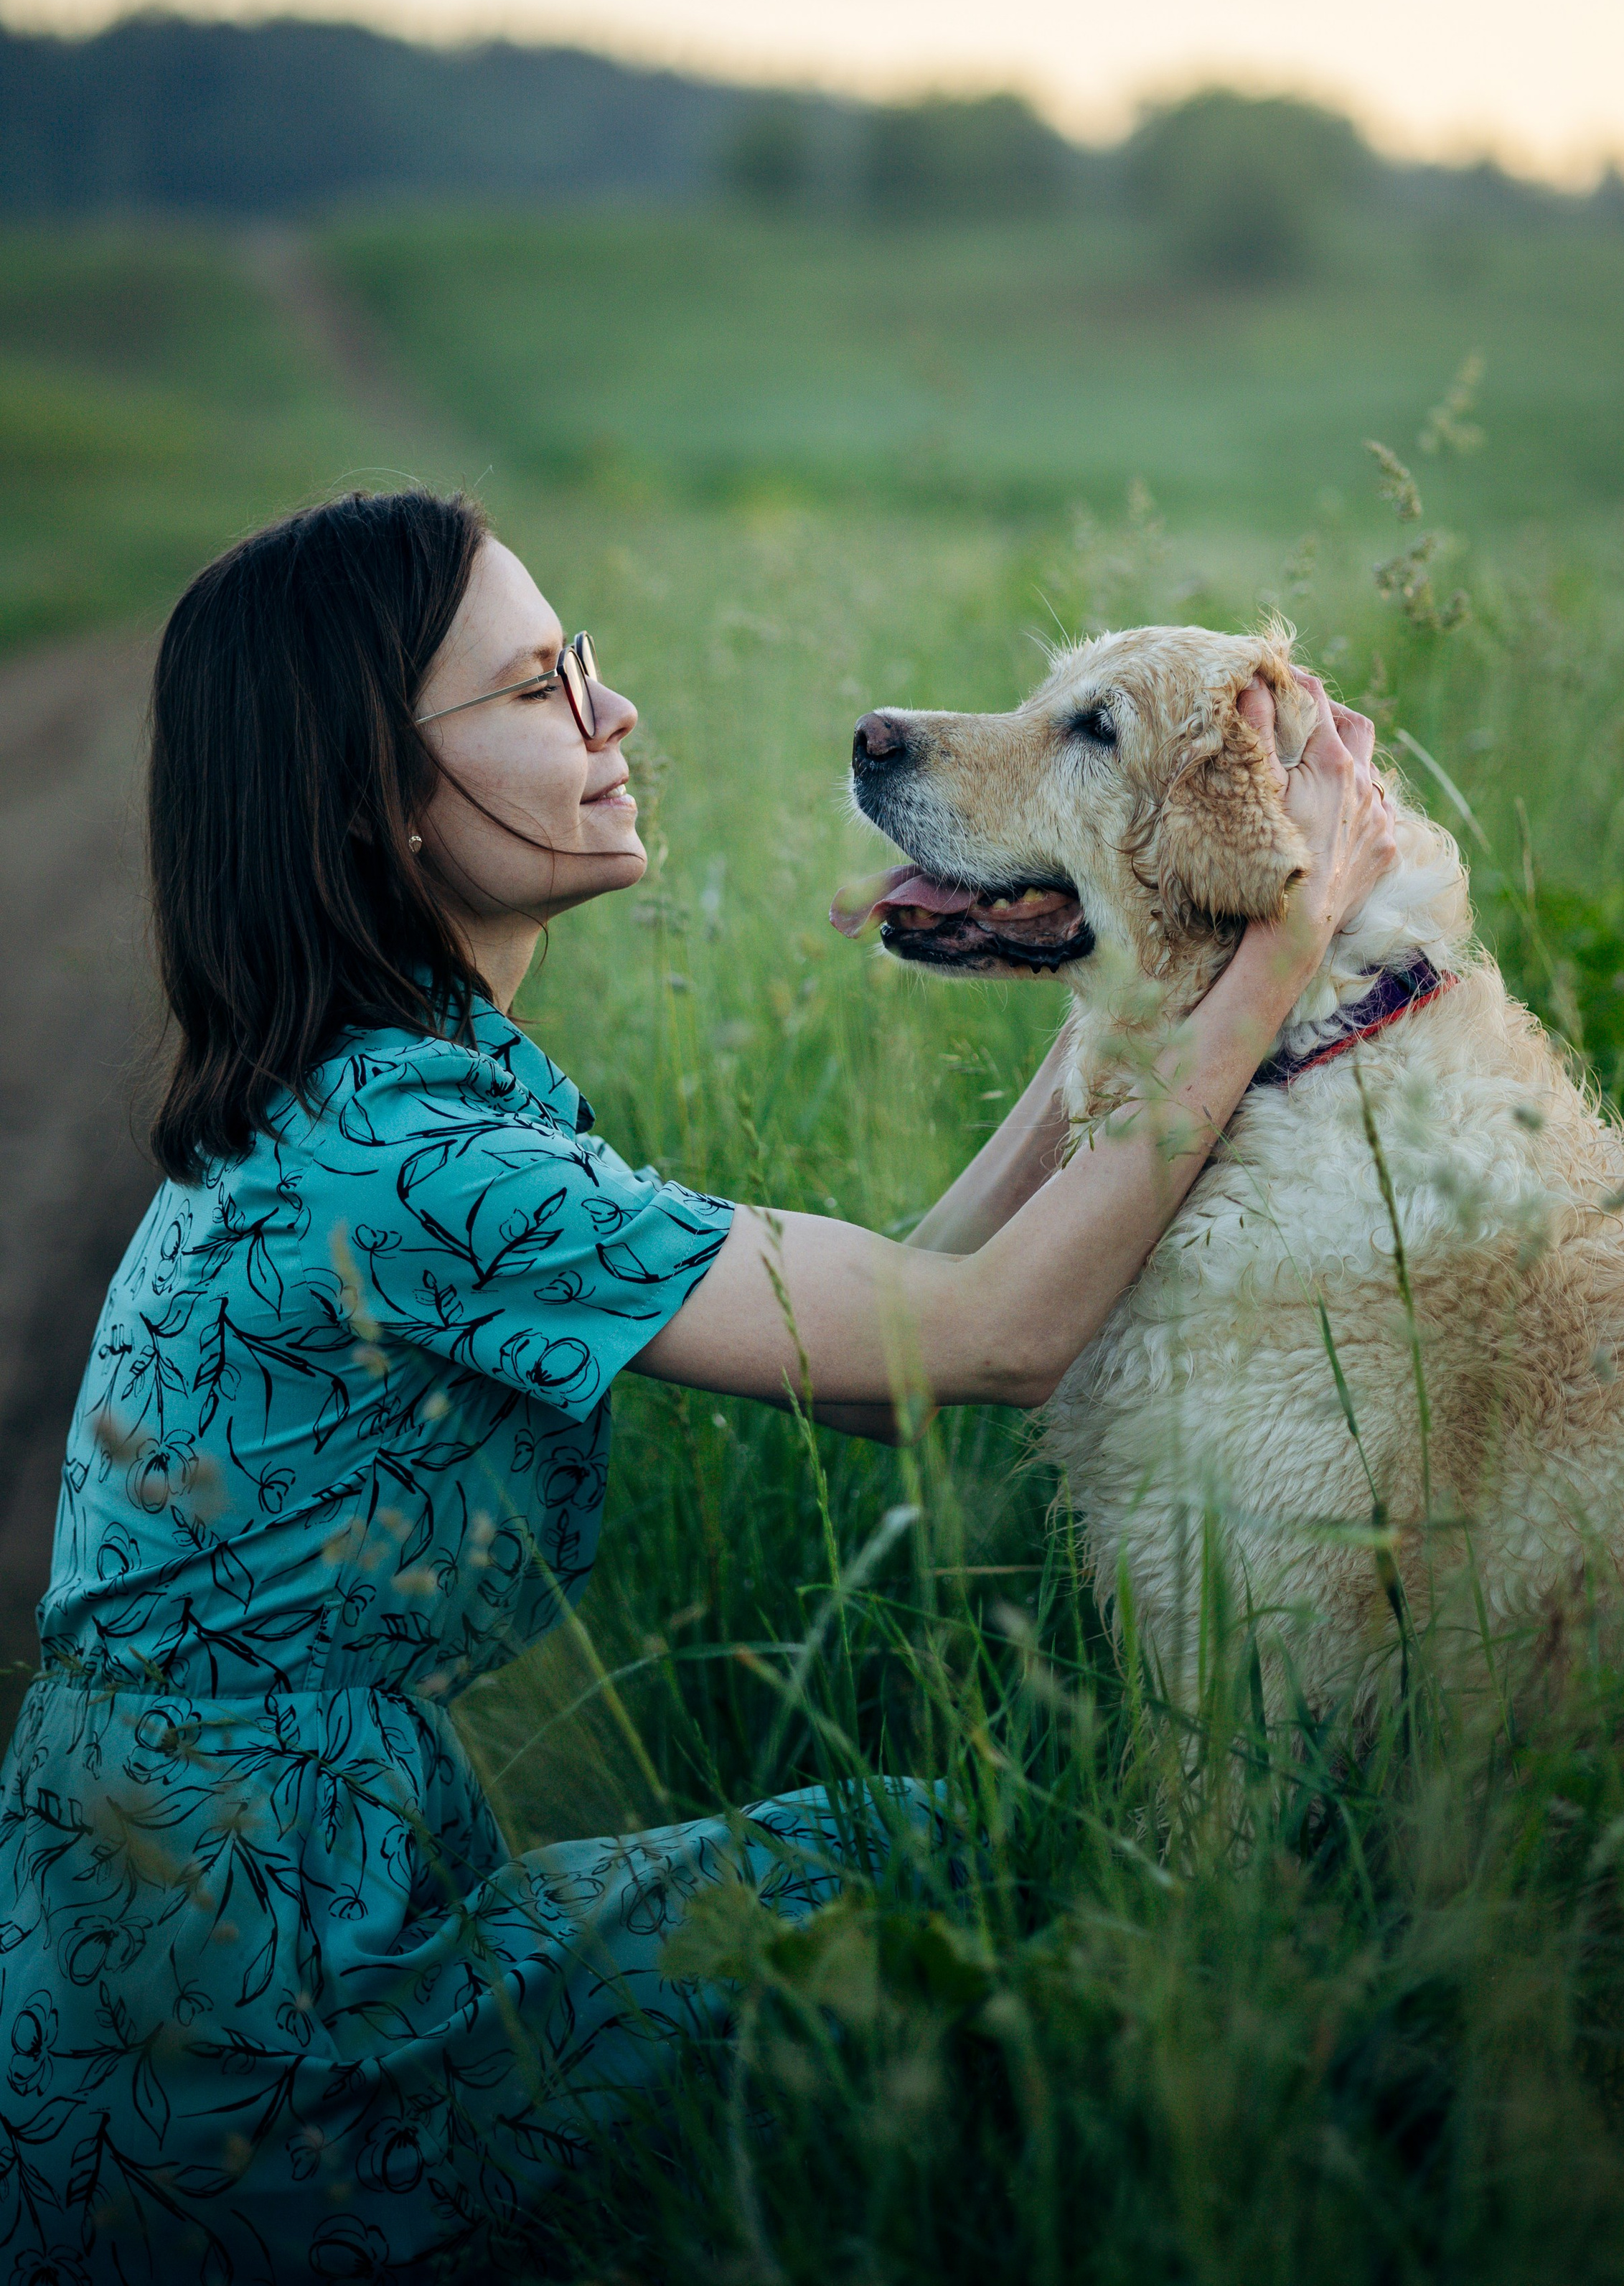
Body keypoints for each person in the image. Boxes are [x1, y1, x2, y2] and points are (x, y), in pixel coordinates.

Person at [0, 489, 1394, 2282]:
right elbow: (984, 1339)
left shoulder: (395, 1100)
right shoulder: (414, 1163)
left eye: (586, 665)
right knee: (949, 1858)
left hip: (204, 1921)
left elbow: (881, 1351)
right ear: (370, 795)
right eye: (531, 693)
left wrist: (1131, 977)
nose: (613, 714)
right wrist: (1285, 937)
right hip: (244, 2019)